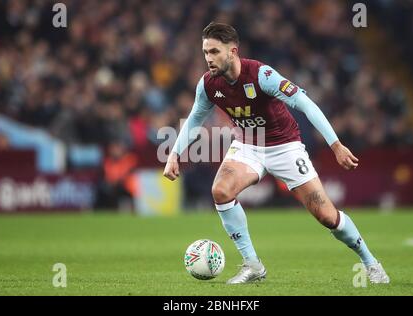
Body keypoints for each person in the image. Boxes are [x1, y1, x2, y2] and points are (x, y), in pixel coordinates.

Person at [163, 22, 389, 284]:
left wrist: (335, 144)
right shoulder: (208, 85)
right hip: (248, 145)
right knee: (221, 191)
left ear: (233, 51)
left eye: (214, 52)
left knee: (327, 216)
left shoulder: (262, 75)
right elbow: (194, 119)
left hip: (285, 147)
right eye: (205, 52)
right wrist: (174, 154)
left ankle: (370, 262)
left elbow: (306, 104)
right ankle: (252, 265)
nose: (208, 59)